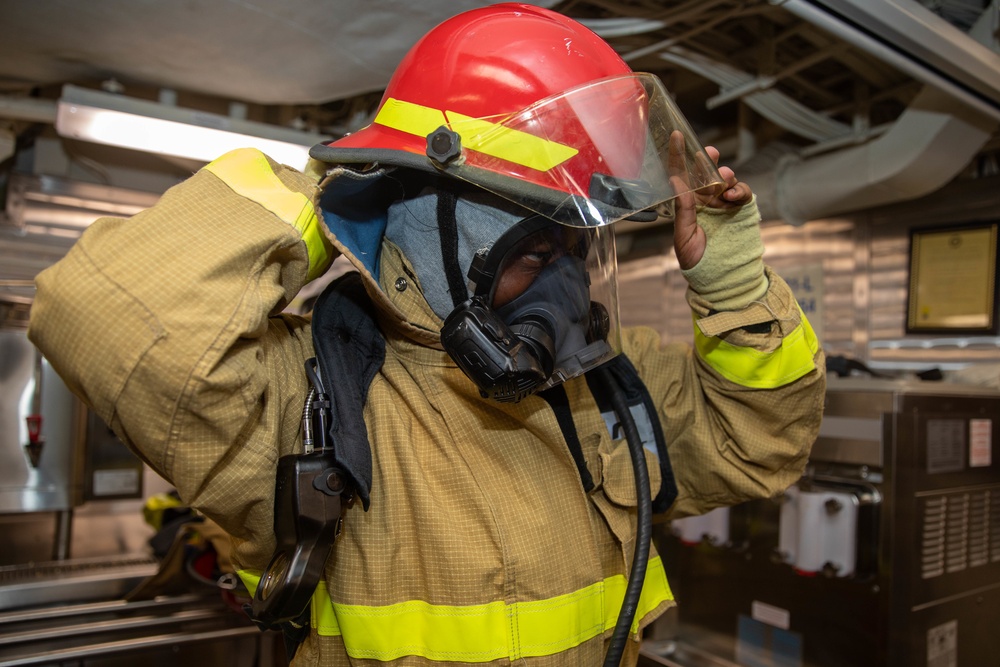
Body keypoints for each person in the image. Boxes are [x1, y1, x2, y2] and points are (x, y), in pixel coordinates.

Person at [28, 4, 825, 666]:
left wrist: (730, 283)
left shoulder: (604, 385)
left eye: (574, 252)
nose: (562, 291)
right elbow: (102, 315)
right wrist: (331, 197)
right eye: (532, 253)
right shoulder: (310, 395)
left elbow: (758, 442)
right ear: (440, 239)